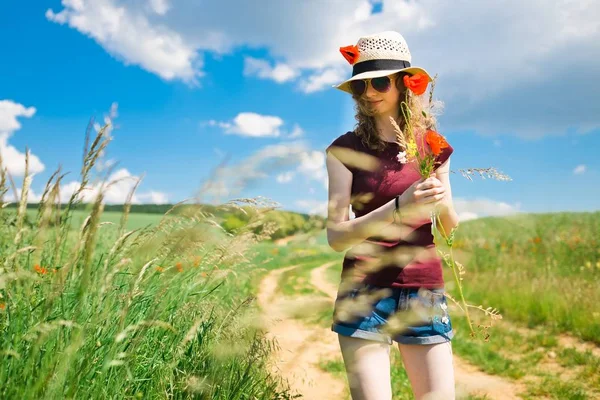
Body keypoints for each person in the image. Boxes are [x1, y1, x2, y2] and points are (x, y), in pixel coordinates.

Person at [325, 31, 458, 400]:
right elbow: (336, 237)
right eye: (359, 86)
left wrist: (440, 195)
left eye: (379, 82)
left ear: (404, 83)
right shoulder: (343, 150)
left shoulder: (433, 145)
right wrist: (399, 205)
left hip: (423, 289)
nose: (368, 93)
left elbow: (449, 226)